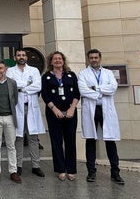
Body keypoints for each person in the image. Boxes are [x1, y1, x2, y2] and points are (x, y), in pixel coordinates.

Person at [79, 49, 125, 185]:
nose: (94, 60)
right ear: (88, 59)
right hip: (92, 110)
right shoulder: (83, 73)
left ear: (100, 58)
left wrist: (96, 89)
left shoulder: (108, 73)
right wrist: (101, 91)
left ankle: (115, 172)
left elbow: (113, 88)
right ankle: (91, 172)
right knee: (90, 140)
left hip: (106, 110)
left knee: (110, 141)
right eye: (91, 58)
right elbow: (83, 90)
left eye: (96, 57)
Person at [6, 48, 46, 177]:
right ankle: (18, 166)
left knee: (33, 138)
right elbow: (11, 86)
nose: (21, 57)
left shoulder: (34, 71)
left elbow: (38, 86)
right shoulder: (10, 71)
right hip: (18, 107)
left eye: (23, 55)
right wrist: (28, 85)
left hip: (31, 107)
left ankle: (36, 166)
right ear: (15, 57)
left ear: (26, 58)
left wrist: (21, 87)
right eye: (19, 55)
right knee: (18, 138)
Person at [41, 51, 80, 181]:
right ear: (51, 62)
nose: (57, 61)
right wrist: (54, 109)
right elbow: (45, 95)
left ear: (63, 61)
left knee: (70, 141)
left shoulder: (71, 75)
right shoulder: (46, 76)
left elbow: (76, 94)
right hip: (53, 114)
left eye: (60, 58)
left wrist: (72, 108)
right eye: (55, 59)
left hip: (70, 113)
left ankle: (71, 169)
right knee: (56, 141)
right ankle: (60, 169)